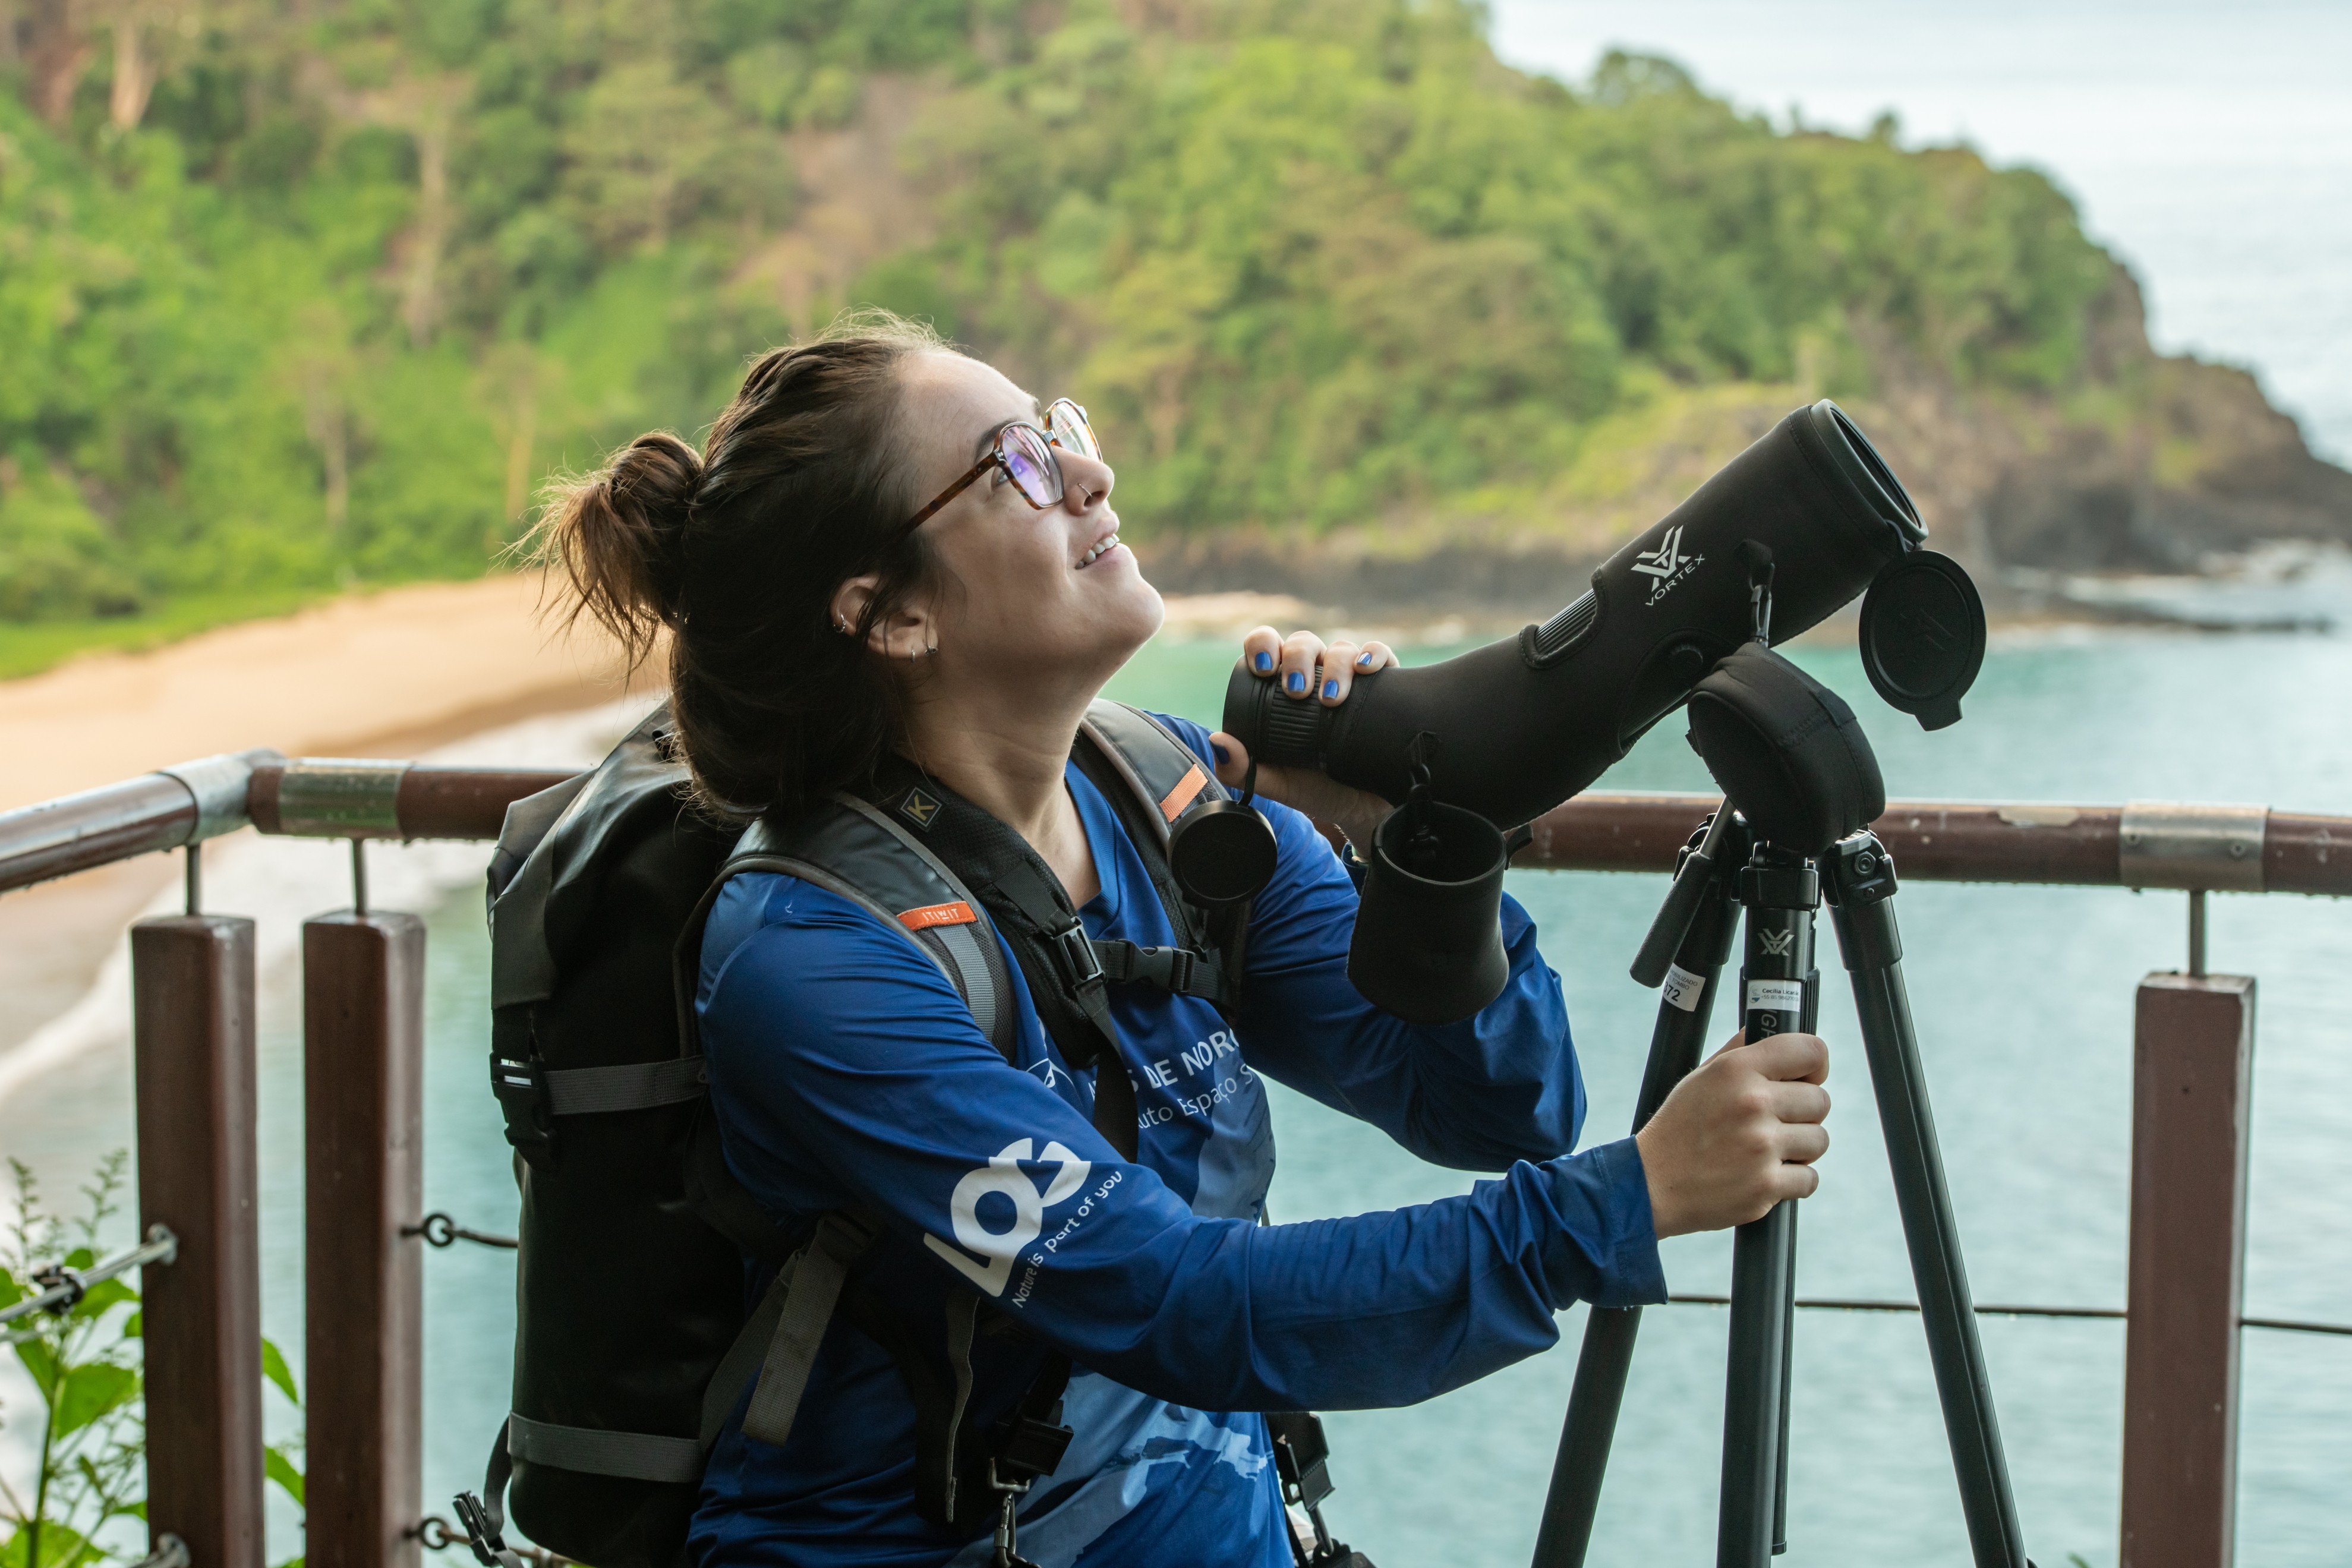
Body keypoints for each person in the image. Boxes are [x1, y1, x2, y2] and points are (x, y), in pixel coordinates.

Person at [537, 314, 1831, 1567]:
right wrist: (1626, 1204)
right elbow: (1179, 1307)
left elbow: (1499, 1102)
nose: (1090, 473)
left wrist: (1413, 836)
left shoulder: (1158, 794)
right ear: (890, 617)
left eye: (1059, 429)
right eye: (1020, 466)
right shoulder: (810, 959)